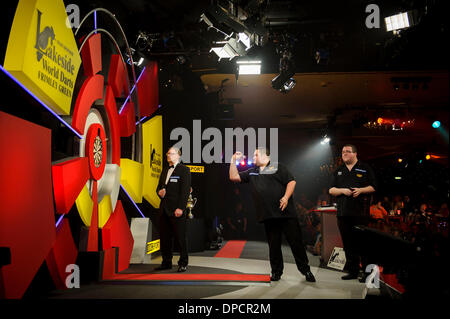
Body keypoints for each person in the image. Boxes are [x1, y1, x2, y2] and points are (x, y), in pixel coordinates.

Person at [229, 147, 316, 282]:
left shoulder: (278, 167)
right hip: (269, 216)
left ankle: (306, 271)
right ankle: (276, 272)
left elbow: (291, 182)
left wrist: (286, 198)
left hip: (286, 214)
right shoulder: (253, 172)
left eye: (256, 155)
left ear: (265, 156)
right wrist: (233, 160)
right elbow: (233, 177)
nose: (253, 157)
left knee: (296, 243)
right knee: (274, 246)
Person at [329, 144, 377, 280]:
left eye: (348, 151)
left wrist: (361, 190)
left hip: (360, 213)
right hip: (343, 213)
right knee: (348, 243)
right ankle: (353, 271)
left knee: (363, 244)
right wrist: (342, 191)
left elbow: (374, 186)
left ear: (355, 154)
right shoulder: (339, 170)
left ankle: (368, 274)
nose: (344, 153)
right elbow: (331, 190)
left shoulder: (365, 168)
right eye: (343, 151)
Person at [155, 146, 191, 272]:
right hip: (164, 209)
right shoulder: (165, 170)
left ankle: (183, 263)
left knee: (181, 238)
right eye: (167, 153)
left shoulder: (184, 170)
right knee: (164, 238)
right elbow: (159, 188)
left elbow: (185, 191)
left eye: (171, 153)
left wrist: (181, 208)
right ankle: (166, 262)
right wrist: (159, 192)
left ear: (178, 155)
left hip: (177, 210)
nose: (168, 155)